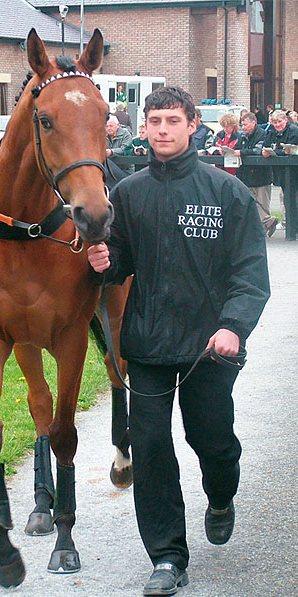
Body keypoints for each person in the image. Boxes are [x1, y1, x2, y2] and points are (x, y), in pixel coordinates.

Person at [88, 86, 270, 596]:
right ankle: (167, 556)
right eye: (154, 121)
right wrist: (105, 263)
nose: (162, 129)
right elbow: (120, 261)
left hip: (210, 347)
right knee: (148, 448)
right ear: (143, 128)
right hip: (146, 345)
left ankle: (220, 493)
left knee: (210, 438)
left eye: (172, 120)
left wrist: (233, 326)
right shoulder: (128, 194)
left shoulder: (226, 192)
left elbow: (251, 273)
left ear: (192, 126)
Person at [233, 112, 277, 237]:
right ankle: (267, 222)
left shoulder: (262, 134)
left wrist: (241, 152)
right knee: (250, 202)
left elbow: (258, 150)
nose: (243, 127)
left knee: (263, 203)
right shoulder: (242, 136)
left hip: (261, 175)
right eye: (242, 124)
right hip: (245, 176)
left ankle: (263, 227)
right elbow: (236, 147)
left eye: (245, 124)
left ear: (253, 123)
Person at [262, 109, 298, 239]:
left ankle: (293, 230)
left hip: (294, 171)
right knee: (288, 201)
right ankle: (292, 228)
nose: (277, 125)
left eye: (280, 122)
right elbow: (266, 145)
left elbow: (291, 149)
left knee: (294, 200)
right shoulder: (271, 131)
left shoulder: (294, 131)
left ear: (286, 120)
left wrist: (280, 151)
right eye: (275, 122)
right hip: (281, 173)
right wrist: (265, 152)